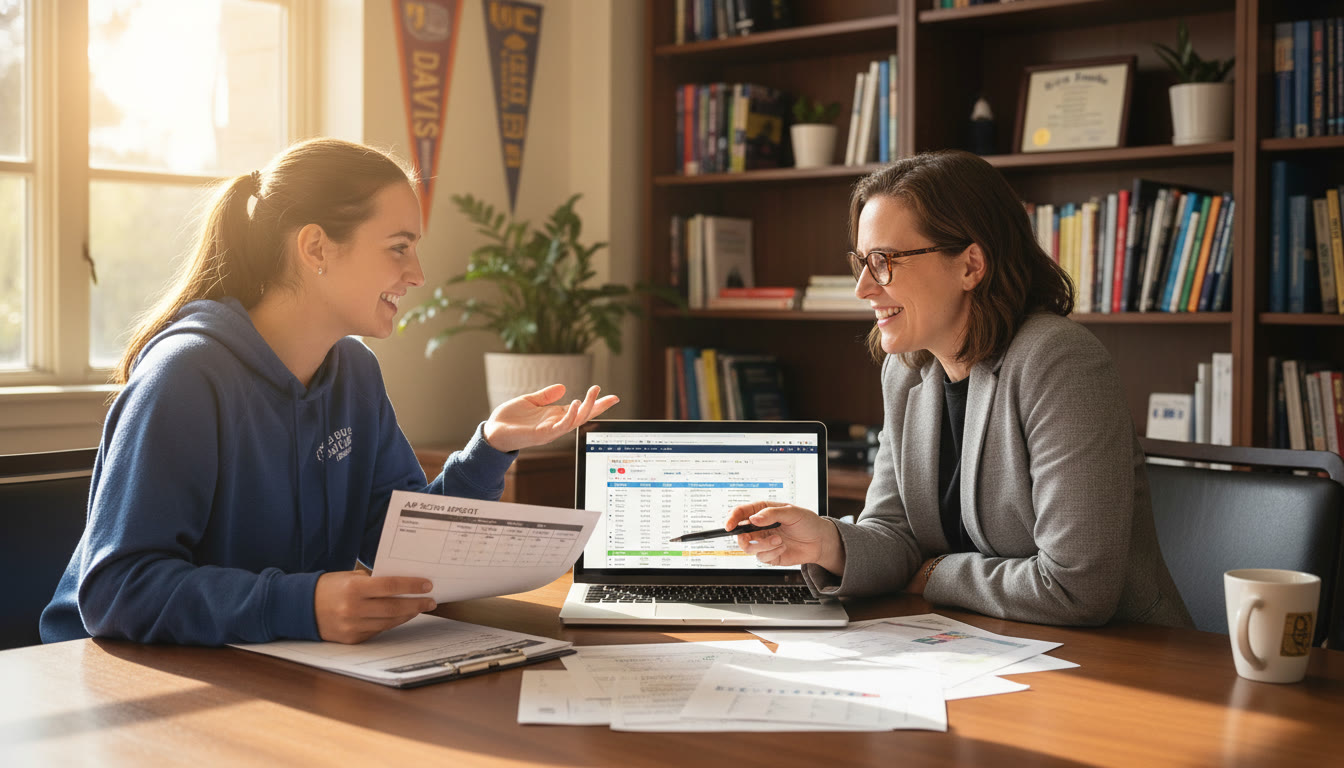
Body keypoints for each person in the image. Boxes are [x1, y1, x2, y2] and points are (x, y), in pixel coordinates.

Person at [40, 138, 618, 646]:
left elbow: (403, 547)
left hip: (273, 665)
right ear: (316, 247)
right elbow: (116, 590)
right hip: (120, 684)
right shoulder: (185, 376)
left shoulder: (354, 375)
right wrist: (303, 604)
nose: (418, 274)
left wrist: (491, 447)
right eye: (398, 246)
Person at [727, 149, 1192, 629]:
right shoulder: (906, 371)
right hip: (988, 642)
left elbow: (1076, 588)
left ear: (971, 265)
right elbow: (895, 534)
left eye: (884, 261)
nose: (863, 288)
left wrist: (935, 573)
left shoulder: (1060, 361)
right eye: (861, 262)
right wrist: (827, 542)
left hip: (1125, 655)